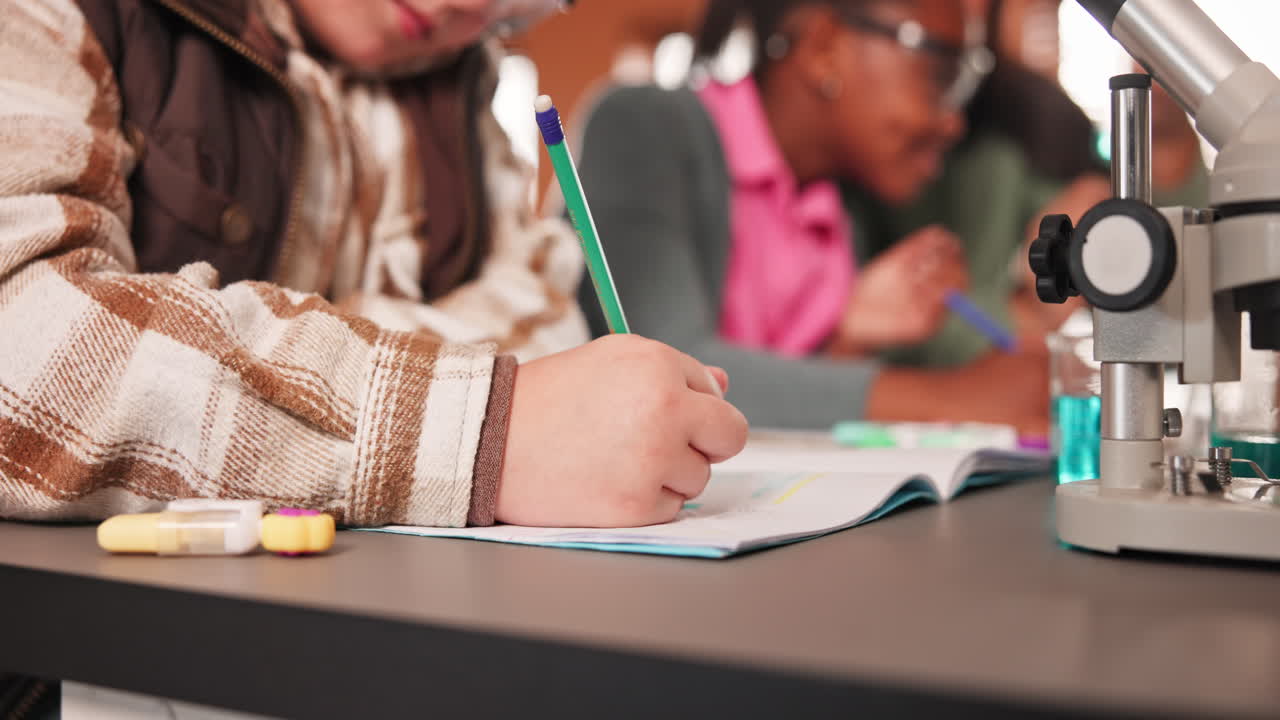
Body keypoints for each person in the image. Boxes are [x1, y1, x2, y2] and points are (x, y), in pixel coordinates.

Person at [0, 0, 748, 529]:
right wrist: (483, 424)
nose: (468, 6)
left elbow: (547, 327)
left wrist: (246, 350)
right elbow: (22, 341)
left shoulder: (462, 89)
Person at [576, 0, 1049, 433]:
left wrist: (849, 341)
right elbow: (668, 371)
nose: (953, 121)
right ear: (824, 48)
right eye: (942, 72)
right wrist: (955, 396)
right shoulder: (643, 127)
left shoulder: (843, 204)